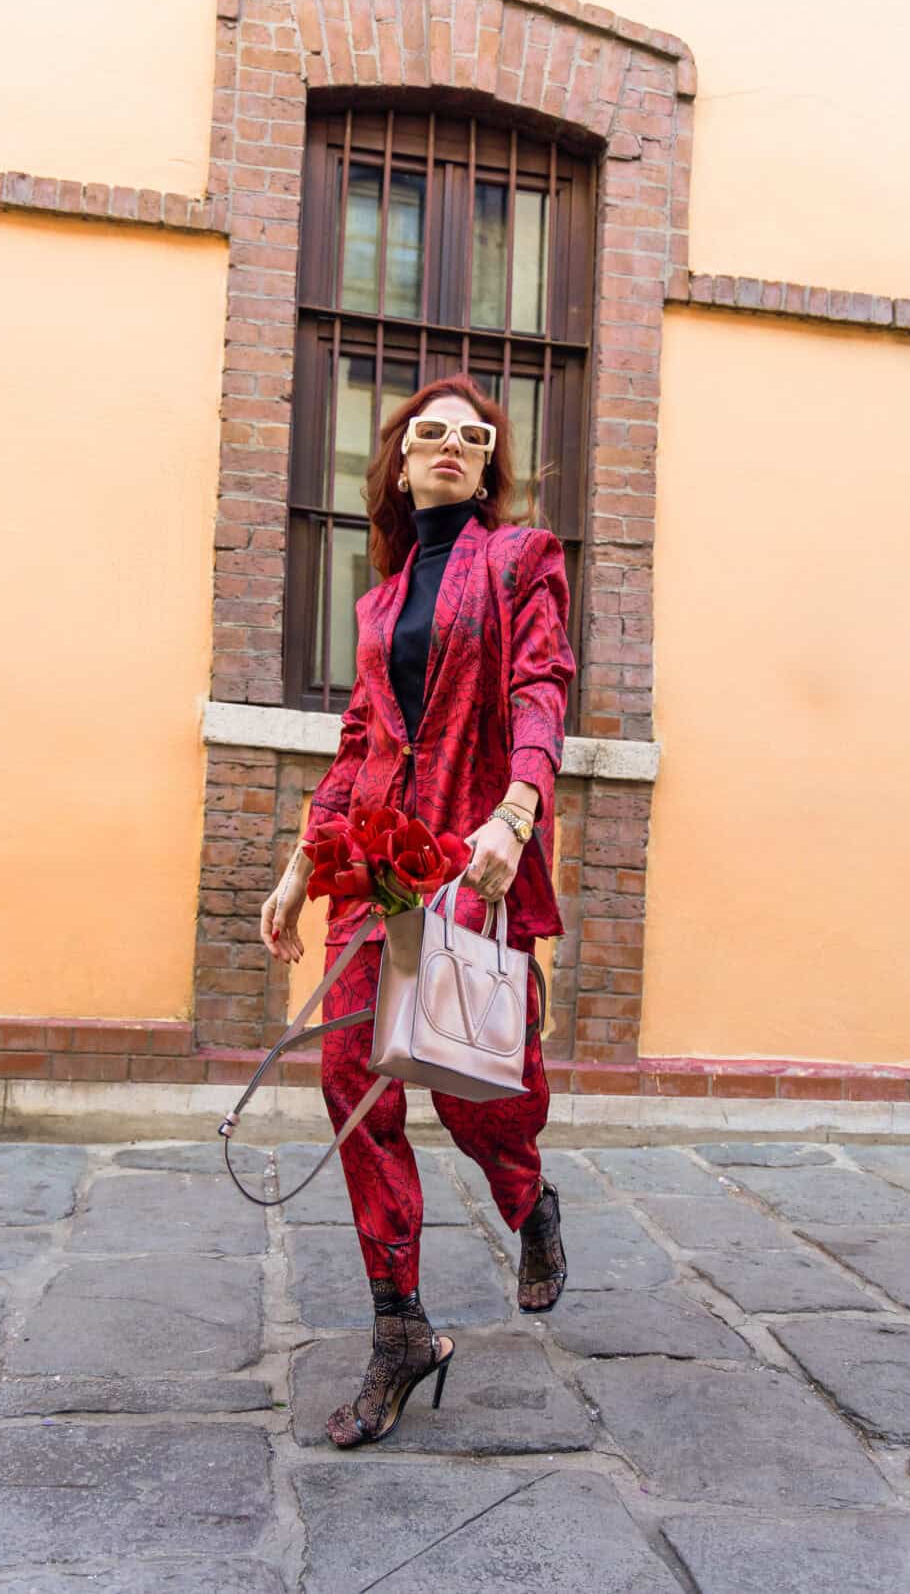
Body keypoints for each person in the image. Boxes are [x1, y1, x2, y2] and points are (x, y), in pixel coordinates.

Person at [260, 373, 576, 1448]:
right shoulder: (381, 600)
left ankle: (529, 1201)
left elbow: (542, 687)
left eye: (472, 437)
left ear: (490, 464)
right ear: (399, 460)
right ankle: (401, 1326)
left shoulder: (521, 560)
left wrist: (517, 813)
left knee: (477, 1090)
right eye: (430, 434)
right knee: (353, 1075)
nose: (449, 446)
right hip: (382, 858)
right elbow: (360, 742)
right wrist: (303, 866)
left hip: (474, 857)